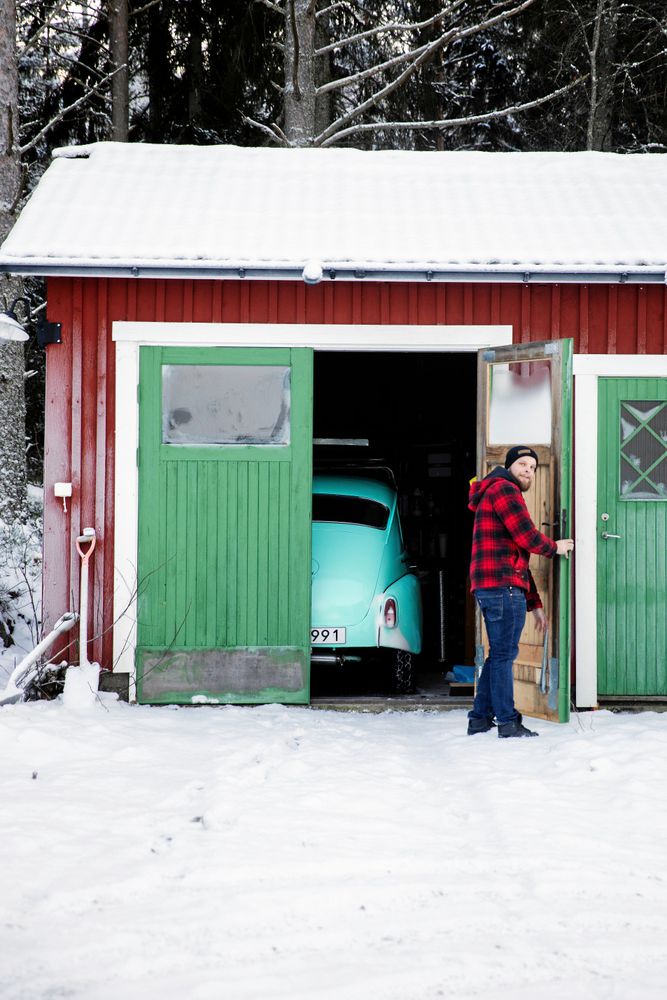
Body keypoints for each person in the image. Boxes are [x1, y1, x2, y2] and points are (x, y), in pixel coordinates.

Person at [466, 446, 574, 738]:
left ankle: (479, 718)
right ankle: (507, 722)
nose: (528, 470)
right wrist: (556, 547)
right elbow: (526, 536)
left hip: (494, 586)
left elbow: (517, 555)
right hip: (502, 586)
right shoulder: (505, 490)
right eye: (523, 464)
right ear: (510, 466)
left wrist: (535, 604)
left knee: (497, 654)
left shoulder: (494, 491)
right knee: (503, 656)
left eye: (533, 467)